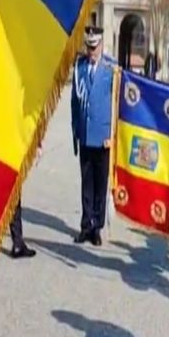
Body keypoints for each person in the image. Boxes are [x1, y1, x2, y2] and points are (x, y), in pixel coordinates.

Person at [70, 25, 115, 246]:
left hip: (103, 137)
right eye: (88, 46)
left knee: (100, 184)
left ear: (101, 45)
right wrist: (75, 131)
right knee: (86, 183)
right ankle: (86, 225)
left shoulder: (110, 69)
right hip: (86, 135)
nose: (91, 51)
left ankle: (97, 226)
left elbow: (117, 105)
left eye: (94, 46)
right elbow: (74, 103)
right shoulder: (79, 68)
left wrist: (113, 134)